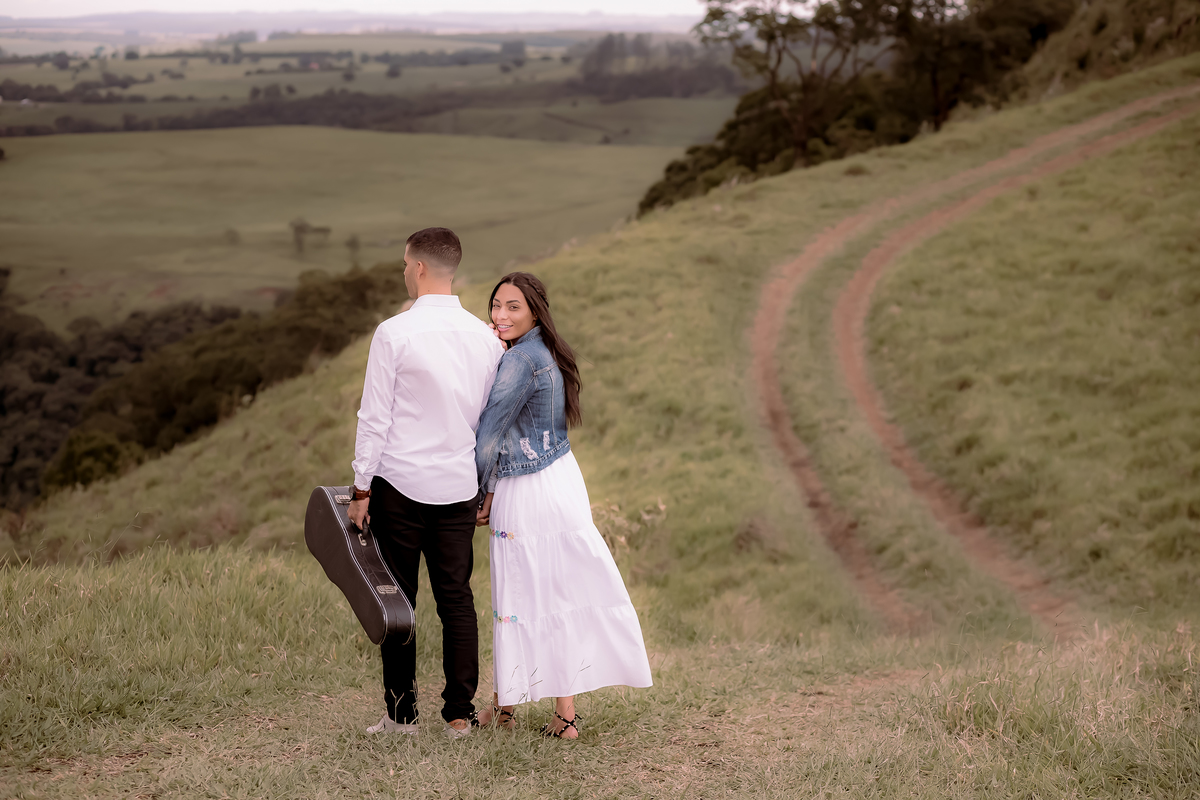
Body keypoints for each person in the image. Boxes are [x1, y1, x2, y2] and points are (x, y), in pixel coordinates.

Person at [473, 271, 653, 739]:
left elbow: (489, 436)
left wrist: (478, 492)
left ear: (535, 310)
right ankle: (562, 714)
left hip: (527, 488)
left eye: (513, 306)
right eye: (496, 305)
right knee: (557, 591)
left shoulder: (518, 361)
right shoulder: (547, 352)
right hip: (561, 479)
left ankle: (508, 708)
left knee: (516, 594)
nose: (501, 315)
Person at [347, 227, 506, 739]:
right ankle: (459, 715)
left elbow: (374, 417)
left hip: (399, 485)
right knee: (457, 599)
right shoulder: (488, 339)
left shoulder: (393, 332)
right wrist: (489, 488)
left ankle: (400, 716)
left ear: (417, 267)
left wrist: (361, 488)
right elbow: (491, 425)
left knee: (399, 599)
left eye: (404, 264)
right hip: (460, 486)